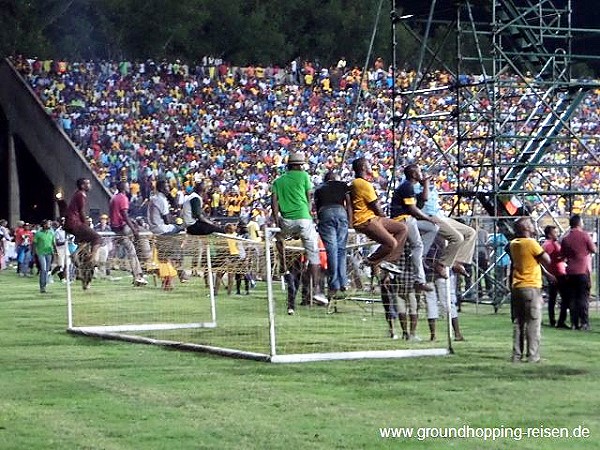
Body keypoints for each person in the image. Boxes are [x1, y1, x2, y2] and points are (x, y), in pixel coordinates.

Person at [271, 151, 328, 312]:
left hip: (286, 220)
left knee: (279, 239)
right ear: (298, 165)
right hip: (304, 219)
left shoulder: (278, 181)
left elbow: (274, 203)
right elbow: (309, 198)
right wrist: (309, 213)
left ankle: (283, 267)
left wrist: (277, 221)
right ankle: (316, 290)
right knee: (314, 255)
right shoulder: (304, 176)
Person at [349, 157, 407, 275]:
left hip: (373, 218)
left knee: (402, 228)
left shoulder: (361, 183)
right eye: (369, 164)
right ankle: (370, 261)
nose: (371, 166)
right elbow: (375, 205)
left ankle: (389, 261)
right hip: (365, 220)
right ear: (364, 167)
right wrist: (385, 220)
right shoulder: (362, 183)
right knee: (391, 243)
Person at [508, 217, 552, 363]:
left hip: (517, 285)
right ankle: (533, 355)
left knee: (519, 322)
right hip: (531, 286)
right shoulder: (531, 243)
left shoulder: (514, 243)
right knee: (533, 322)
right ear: (526, 227)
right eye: (531, 224)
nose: (534, 226)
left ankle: (517, 355)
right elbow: (547, 259)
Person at [413, 179, 476, 279]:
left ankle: (457, 262)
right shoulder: (414, 186)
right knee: (457, 238)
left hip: (440, 215)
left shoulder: (432, 186)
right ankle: (442, 264)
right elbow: (421, 200)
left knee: (470, 232)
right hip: (429, 216)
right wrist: (425, 184)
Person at [390, 164, 438, 292]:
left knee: (433, 229)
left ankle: (418, 257)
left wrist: (426, 183)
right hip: (403, 219)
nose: (422, 173)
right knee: (418, 245)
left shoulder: (409, 186)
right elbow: (412, 209)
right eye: (420, 171)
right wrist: (428, 218)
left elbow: (424, 199)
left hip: (409, 219)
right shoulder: (407, 186)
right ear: (414, 174)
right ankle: (420, 279)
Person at [314, 170, 352, 300]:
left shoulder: (319, 189)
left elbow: (318, 207)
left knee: (332, 250)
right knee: (341, 249)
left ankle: (334, 283)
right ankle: (343, 282)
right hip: (341, 212)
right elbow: (349, 204)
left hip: (325, 213)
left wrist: (320, 220)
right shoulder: (343, 185)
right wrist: (350, 222)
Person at [560, 214, 597, 331]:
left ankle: (574, 323)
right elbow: (593, 250)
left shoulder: (565, 239)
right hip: (582, 271)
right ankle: (584, 322)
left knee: (572, 298)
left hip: (570, 272)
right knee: (583, 298)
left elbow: (563, 255)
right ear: (579, 223)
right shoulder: (584, 236)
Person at [109, 181, 147, 286]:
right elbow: (124, 215)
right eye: (127, 186)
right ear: (124, 187)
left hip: (115, 228)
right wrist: (133, 229)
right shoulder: (123, 198)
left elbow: (119, 214)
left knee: (131, 250)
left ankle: (138, 276)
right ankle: (147, 258)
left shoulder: (114, 198)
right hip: (122, 228)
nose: (129, 187)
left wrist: (132, 222)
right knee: (144, 232)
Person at [63, 178, 103, 264]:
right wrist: (85, 224)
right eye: (87, 183)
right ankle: (92, 259)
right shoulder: (81, 194)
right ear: (82, 186)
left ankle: (75, 254)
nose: (90, 185)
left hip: (70, 223)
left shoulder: (77, 194)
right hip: (74, 223)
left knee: (86, 239)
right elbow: (81, 211)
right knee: (97, 238)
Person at [542, 225, 567, 328]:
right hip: (556, 274)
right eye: (555, 232)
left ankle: (554, 320)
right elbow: (543, 258)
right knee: (563, 298)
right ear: (549, 234)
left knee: (554, 298)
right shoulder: (548, 245)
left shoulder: (555, 243)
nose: (557, 234)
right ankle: (558, 321)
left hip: (558, 273)